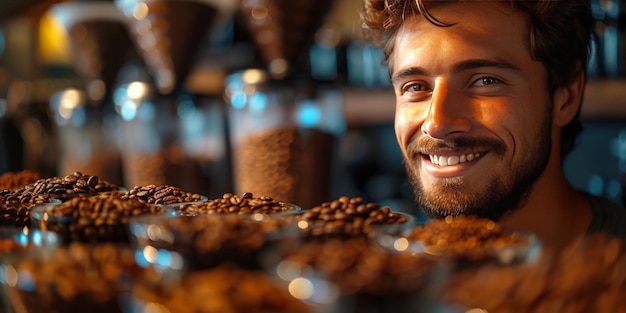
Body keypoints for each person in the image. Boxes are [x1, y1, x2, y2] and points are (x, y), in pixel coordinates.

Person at [360, 0, 626, 250]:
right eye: (416, 86)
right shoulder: (386, 276)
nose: (436, 124)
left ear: (565, 96)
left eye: (485, 81)